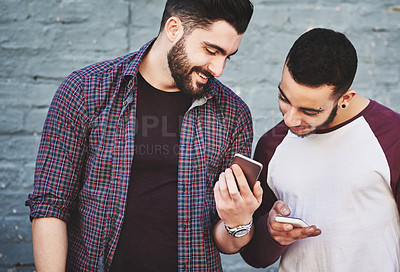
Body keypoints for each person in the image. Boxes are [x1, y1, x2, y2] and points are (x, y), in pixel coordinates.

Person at [25, 0, 263, 271]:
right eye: (211, 50)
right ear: (174, 28)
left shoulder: (233, 114)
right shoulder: (84, 92)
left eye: (227, 56)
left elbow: (225, 243)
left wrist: (238, 222)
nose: (219, 69)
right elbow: (51, 206)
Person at [237, 28, 400, 271]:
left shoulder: (392, 136)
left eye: (309, 111)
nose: (291, 119)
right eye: (284, 99)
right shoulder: (272, 146)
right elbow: (254, 256)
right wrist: (272, 235)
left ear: (345, 98)